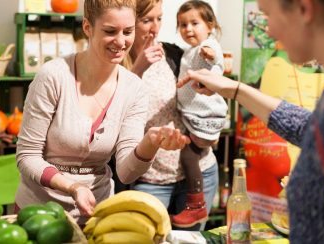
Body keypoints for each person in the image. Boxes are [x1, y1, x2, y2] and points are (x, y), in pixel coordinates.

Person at [177, 0, 324, 242]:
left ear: (303, 9)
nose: (268, 31)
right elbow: (308, 128)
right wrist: (235, 89)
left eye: (267, 15)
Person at [14, 0, 190, 226]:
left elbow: (126, 173)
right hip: (39, 213)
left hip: (97, 214)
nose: (120, 41)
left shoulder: (134, 90)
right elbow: (27, 156)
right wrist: (72, 187)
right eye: (110, 31)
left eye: (128, 31)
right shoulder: (53, 76)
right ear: (87, 27)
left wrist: (151, 142)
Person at [124, 0, 220, 230]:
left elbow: (203, 93)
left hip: (199, 172)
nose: (155, 28)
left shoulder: (175, 55)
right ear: (129, 23)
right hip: (151, 181)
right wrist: (138, 69)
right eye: (147, 20)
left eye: (159, 18)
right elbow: (114, 114)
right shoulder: (117, 65)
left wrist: (210, 128)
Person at [172, 0, 228, 228]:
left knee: (188, 155)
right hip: (197, 117)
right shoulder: (189, 50)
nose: (188, 29)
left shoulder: (207, 45)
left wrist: (209, 53)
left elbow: (214, 58)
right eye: (183, 25)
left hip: (206, 117)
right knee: (190, 152)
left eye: (194, 23)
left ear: (210, 25)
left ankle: (196, 205)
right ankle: (195, 205)